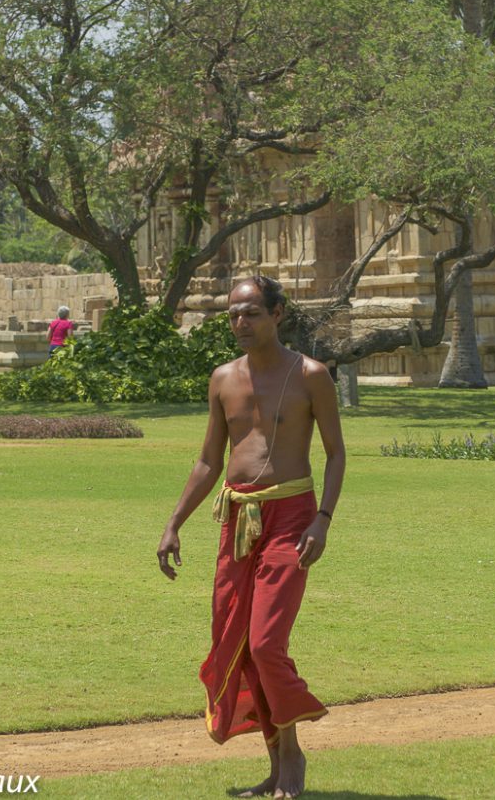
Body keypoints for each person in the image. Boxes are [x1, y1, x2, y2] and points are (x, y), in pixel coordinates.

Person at [157, 275, 345, 799]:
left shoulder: (311, 375)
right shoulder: (222, 379)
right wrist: (173, 524)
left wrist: (322, 520)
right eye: (234, 315)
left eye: (252, 313)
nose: (241, 323)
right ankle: (277, 760)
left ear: (278, 313)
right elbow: (208, 461)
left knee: (265, 642)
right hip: (237, 520)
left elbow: (335, 453)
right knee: (237, 645)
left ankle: (294, 759)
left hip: (292, 517)